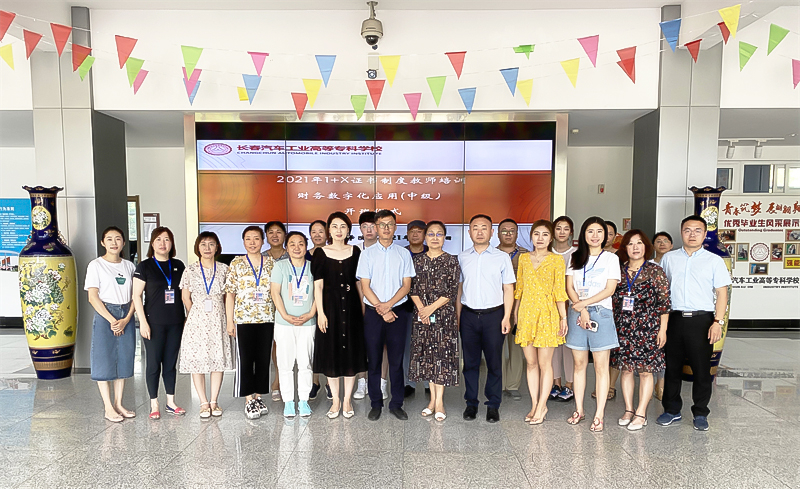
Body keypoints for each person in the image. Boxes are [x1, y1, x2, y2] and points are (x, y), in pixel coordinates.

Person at [657, 215, 731, 432]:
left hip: (702, 320)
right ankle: (672, 410)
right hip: (674, 319)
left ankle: (700, 412)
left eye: (697, 230)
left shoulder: (714, 261)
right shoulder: (669, 258)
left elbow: (722, 293)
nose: (692, 234)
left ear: (704, 234)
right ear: (681, 232)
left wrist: (718, 322)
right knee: (672, 368)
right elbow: (663, 291)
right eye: (687, 230)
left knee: (701, 369)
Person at [356, 210, 416, 421]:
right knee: (373, 360)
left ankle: (396, 403)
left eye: (390, 224)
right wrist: (381, 308)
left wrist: (389, 307)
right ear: (376, 227)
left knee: (396, 361)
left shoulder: (403, 254)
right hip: (374, 314)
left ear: (395, 227)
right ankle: (376, 403)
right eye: (382, 224)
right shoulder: (367, 254)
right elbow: (365, 286)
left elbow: (406, 286)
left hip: (398, 313)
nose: (386, 228)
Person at [565, 216, 621, 432]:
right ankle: (579, 410)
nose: (595, 236)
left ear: (605, 235)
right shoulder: (575, 256)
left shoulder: (611, 259)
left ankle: (599, 415)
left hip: (601, 313)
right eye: (590, 231)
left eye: (599, 231)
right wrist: (581, 309)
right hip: (578, 313)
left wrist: (584, 305)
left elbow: (610, 289)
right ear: (583, 234)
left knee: (600, 366)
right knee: (579, 364)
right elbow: (569, 287)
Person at [458, 214, 515, 423]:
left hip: (494, 316)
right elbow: (460, 289)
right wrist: (458, 317)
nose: (480, 231)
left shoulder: (501, 257)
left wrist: (506, 317)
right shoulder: (462, 257)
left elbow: (508, 289)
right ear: (469, 232)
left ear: (492, 232)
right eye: (475, 228)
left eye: (484, 228)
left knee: (494, 363)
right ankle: (471, 403)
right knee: (470, 363)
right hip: (469, 315)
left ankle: (493, 405)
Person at [611, 230, 671, 431]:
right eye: (630, 243)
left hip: (648, 328)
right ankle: (629, 410)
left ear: (646, 247)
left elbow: (664, 303)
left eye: (639, 243)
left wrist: (663, 330)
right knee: (626, 369)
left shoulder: (655, 271)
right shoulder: (619, 271)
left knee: (646, 371)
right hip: (623, 327)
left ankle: (641, 413)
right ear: (625, 248)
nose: (635, 247)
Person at [312, 212, 368, 419]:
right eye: (334, 226)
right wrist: (320, 313)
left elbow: (359, 283)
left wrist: (363, 307)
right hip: (330, 309)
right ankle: (335, 400)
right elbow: (318, 286)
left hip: (352, 308)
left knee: (351, 353)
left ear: (348, 230)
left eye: (343, 226)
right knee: (331, 353)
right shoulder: (321, 253)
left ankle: (347, 400)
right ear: (329, 230)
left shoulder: (355, 251)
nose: (338, 230)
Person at [513, 220, 568, 425]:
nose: (540, 238)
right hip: (526, 314)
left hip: (547, 314)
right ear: (531, 236)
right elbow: (519, 288)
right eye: (537, 234)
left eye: (545, 234)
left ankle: (542, 405)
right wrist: (515, 313)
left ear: (551, 238)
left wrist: (563, 317)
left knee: (545, 363)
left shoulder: (556, 260)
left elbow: (559, 291)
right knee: (531, 363)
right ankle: (535, 404)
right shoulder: (524, 258)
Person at [408, 221, 461, 421]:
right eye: (431, 234)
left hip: (444, 316)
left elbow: (451, 291)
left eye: (439, 234)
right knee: (428, 358)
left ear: (444, 237)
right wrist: (422, 310)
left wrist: (430, 308)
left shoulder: (451, 261)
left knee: (441, 358)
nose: (435, 237)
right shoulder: (417, 261)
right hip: (422, 317)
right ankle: (431, 401)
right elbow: (411, 288)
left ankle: (439, 402)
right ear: (425, 237)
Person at [132, 226, 186, 419]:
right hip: (153, 323)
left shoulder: (179, 265)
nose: (163, 243)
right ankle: (154, 403)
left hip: (176, 322)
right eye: (158, 240)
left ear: (172, 243)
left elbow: (185, 294)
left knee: (170, 363)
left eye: (167, 239)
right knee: (154, 364)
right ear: (152, 244)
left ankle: (171, 402)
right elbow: (136, 296)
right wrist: (143, 322)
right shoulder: (144, 266)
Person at [85, 227, 137, 423]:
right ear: (102, 242)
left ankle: (119, 403)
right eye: (109, 239)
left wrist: (126, 318)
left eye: (118, 239)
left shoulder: (129, 266)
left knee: (124, 359)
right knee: (103, 358)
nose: (114, 243)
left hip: (126, 315)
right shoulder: (96, 265)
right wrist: (112, 320)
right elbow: (92, 297)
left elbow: (135, 296)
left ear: (123, 242)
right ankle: (108, 407)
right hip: (105, 314)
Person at [179, 232, 233, 418]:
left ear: (217, 247)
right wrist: (195, 314)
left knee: (217, 359)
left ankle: (214, 401)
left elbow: (228, 297)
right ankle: (203, 402)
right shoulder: (190, 270)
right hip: (197, 321)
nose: (207, 248)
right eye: (203, 244)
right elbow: (186, 297)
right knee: (198, 362)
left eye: (211, 244)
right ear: (198, 247)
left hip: (218, 320)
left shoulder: (225, 269)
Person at [225, 226, 276, 420]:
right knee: (245, 359)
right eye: (248, 239)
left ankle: (259, 397)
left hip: (267, 318)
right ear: (243, 242)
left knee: (263, 359)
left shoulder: (271, 263)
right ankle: (248, 399)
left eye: (256, 238)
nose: (252, 242)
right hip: (243, 319)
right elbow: (230, 294)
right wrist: (230, 321)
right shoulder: (236, 263)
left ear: (263, 241)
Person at [271, 231, 317, 418]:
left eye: (301, 244)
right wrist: (285, 315)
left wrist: (311, 313)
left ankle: (304, 401)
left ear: (306, 247)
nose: (297, 248)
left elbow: (319, 293)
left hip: (307, 323)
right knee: (285, 364)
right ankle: (288, 402)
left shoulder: (314, 267)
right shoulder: (280, 266)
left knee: (306, 363)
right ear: (287, 248)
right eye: (292, 244)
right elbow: (275, 293)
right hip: (284, 323)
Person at [353, 211, 388, 401]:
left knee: (383, 346)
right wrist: (362, 307)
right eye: (365, 226)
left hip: (385, 306)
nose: (369, 230)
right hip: (361, 305)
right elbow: (358, 283)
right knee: (362, 345)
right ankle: (362, 382)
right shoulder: (355, 251)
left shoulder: (387, 249)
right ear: (360, 229)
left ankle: (382, 383)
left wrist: (383, 306)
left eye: (372, 226)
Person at [497, 218, 529, 401]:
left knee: (517, 347)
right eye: (504, 231)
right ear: (497, 234)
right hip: (497, 306)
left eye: (512, 231)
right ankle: (499, 384)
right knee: (497, 347)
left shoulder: (526, 255)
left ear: (517, 234)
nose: (508, 234)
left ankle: (513, 385)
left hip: (520, 307)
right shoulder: (492, 254)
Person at [550, 215, 576, 403]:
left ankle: (569, 385)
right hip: (549, 307)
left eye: (566, 229)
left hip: (570, 305)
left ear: (571, 232)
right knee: (552, 346)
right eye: (558, 228)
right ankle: (555, 383)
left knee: (568, 346)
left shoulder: (577, 254)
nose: (562, 232)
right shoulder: (546, 253)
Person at [403, 219, 429, 398]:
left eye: (419, 231)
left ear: (425, 234)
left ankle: (428, 383)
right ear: (407, 234)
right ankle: (408, 383)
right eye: (412, 231)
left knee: (428, 345)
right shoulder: (401, 253)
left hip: (428, 308)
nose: (415, 234)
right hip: (405, 306)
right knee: (407, 347)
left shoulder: (432, 252)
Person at [263, 221, 288, 401]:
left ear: (284, 235)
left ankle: (279, 381)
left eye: (278, 232)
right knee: (271, 344)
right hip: (265, 307)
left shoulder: (292, 255)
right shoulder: (261, 257)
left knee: (281, 344)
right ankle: (275, 381)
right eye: (271, 232)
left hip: (287, 306)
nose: (275, 235)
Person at [650, 230, 673, 400]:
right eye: (658, 241)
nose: (662, 243)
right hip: (651, 313)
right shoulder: (648, 265)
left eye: (666, 241)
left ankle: (662, 383)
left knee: (667, 348)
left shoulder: (676, 262)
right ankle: (651, 383)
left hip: (672, 311)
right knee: (654, 348)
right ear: (653, 246)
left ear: (671, 245)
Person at [307, 219, 328, 399]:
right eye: (314, 231)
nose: (317, 235)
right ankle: (314, 382)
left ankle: (329, 382)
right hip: (306, 304)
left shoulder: (332, 253)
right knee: (312, 346)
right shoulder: (304, 254)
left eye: (321, 231)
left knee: (328, 343)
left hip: (328, 304)